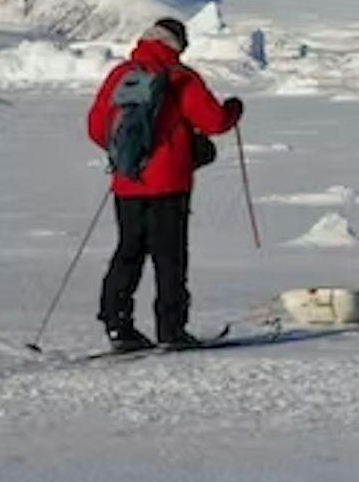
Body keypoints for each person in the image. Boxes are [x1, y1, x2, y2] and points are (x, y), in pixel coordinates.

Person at [85, 18, 243, 351]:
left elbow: (96, 127)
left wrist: (128, 156)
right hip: (169, 184)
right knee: (169, 258)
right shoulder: (179, 77)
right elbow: (214, 121)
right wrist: (233, 110)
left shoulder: (120, 75)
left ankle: (117, 325)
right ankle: (171, 330)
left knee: (128, 252)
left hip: (127, 182)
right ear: (177, 44)